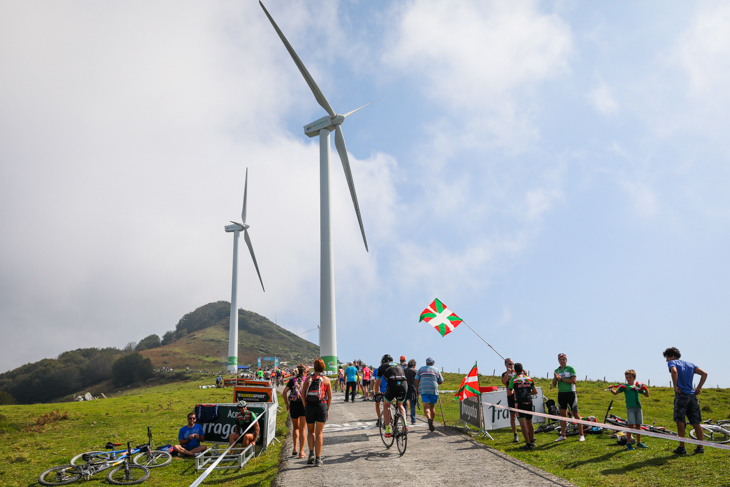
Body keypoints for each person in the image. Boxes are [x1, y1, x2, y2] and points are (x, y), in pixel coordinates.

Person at [663, 347, 708, 454]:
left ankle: (682, 447)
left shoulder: (672, 363)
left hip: (681, 395)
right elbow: (704, 374)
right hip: (692, 395)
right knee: (696, 422)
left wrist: (675, 386)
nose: (667, 360)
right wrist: (699, 387)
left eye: (667, 357)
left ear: (673, 356)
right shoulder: (690, 364)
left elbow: (674, 371)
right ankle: (700, 447)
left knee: (680, 420)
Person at [301, 358, 332, 467]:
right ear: (323, 368)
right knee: (319, 433)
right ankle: (318, 459)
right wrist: (327, 409)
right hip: (321, 405)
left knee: (310, 431)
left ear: (314, 367)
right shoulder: (326, 380)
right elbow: (330, 396)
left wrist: (306, 406)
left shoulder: (308, 379)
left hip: (309, 405)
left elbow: (302, 393)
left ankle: (311, 454)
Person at [609, 369, 649, 450]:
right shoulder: (624, 387)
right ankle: (628, 443)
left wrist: (645, 388)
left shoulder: (637, 387)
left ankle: (639, 442)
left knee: (638, 425)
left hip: (638, 407)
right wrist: (610, 389)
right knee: (630, 425)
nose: (628, 379)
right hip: (630, 407)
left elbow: (646, 395)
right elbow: (615, 393)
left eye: (630, 377)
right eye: (627, 377)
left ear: (634, 378)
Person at [551, 353, 585, 442]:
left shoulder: (570, 368)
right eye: (560, 359)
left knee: (575, 413)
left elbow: (574, 381)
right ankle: (563, 434)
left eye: (564, 359)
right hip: (561, 394)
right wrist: (555, 378)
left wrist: (561, 379)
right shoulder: (556, 370)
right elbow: (554, 385)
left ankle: (581, 434)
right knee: (562, 415)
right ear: (558, 360)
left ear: (566, 360)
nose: (562, 361)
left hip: (571, 393)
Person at [375, 354, 409, 438]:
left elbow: (377, 384)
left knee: (386, 405)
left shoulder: (381, 367)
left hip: (392, 384)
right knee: (400, 405)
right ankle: (405, 426)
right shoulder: (398, 364)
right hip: (404, 385)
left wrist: (378, 393)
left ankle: (387, 431)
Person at [509, 363, 537, 449]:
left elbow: (509, 392)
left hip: (519, 403)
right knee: (529, 422)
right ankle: (532, 441)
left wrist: (515, 393)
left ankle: (528, 444)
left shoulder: (513, 379)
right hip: (529, 402)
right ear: (522, 369)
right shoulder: (529, 378)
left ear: (515, 370)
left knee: (522, 424)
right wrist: (528, 394)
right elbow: (535, 391)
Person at [283, 364, 307, 458]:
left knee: (295, 427)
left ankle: (295, 448)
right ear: (304, 372)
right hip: (303, 405)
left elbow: (285, 392)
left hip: (293, 405)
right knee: (303, 429)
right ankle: (301, 452)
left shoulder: (292, 380)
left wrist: (286, 404)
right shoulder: (306, 380)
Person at [415, 357, 444, 432]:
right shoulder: (436, 370)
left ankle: (429, 419)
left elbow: (416, 379)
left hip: (424, 389)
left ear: (426, 362)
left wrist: (417, 389)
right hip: (433, 389)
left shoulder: (421, 369)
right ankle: (432, 422)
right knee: (432, 407)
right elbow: (441, 381)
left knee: (426, 407)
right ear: (433, 363)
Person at [501, 358, 520, 443]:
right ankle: (515, 434)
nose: (512, 365)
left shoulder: (517, 372)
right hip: (510, 396)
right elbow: (503, 382)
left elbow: (524, 376)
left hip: (519, 396)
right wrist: (508, 373)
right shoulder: (505, 374)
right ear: (506, 365)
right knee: (513, 416)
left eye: (513, 364)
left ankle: (528, 433)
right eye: (510, 364)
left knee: (522, 415)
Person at [404, 359, 418, 425]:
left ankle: (404, 418)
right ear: (414, 365)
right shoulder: (415, 371)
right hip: (412, 388)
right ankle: (413, 419)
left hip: (405, 387)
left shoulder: (404, 370)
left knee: (404, 405)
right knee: (413, 405)